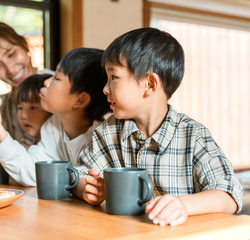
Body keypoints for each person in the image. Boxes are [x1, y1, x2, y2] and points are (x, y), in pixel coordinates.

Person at [73, 28, 243, 226]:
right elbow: (79, 175)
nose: (105, 88)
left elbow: (230, 194)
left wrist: (183, 205)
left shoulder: (193, 135)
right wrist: (89, 189)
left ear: (150, 84)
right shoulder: (108, 132)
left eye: (113, 77)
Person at [0, 48, 111, 186]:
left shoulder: (102, 139)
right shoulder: (53, 126)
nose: (46, 82)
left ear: (80, 100)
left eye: (57, 78)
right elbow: (32, 172)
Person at [0, 20, 54, 143]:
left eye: (11, 54)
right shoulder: (1, 109)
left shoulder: (58, 86)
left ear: (24, 45)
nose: (10, 70)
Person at [16, 74, 52, 149]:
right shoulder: (28, 139)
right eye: (20, 108)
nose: (23, 116)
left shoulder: (58, 143)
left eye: (33, 108)